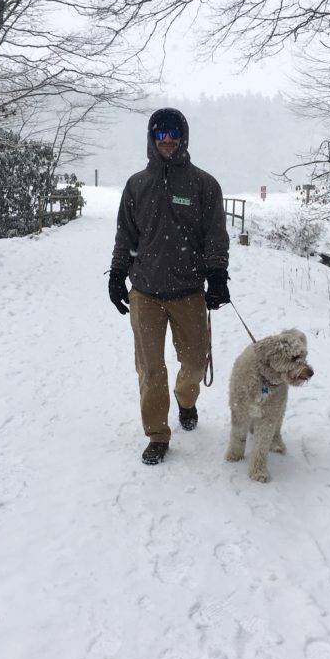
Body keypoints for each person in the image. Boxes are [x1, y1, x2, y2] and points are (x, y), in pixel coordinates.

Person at [108, 107, 231, 465]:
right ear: (151, 138)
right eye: (161, 134)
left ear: (184, 137)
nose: (168, 140)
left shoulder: (204, 185)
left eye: (174, 133)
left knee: (194, 362)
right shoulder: (137, 185)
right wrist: (117, 274)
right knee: (150, 369)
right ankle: (158, 435)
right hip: (144, 291)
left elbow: (215, 237)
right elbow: (125, 237)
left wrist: (218, 274)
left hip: (189, 291)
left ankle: (186, 399)